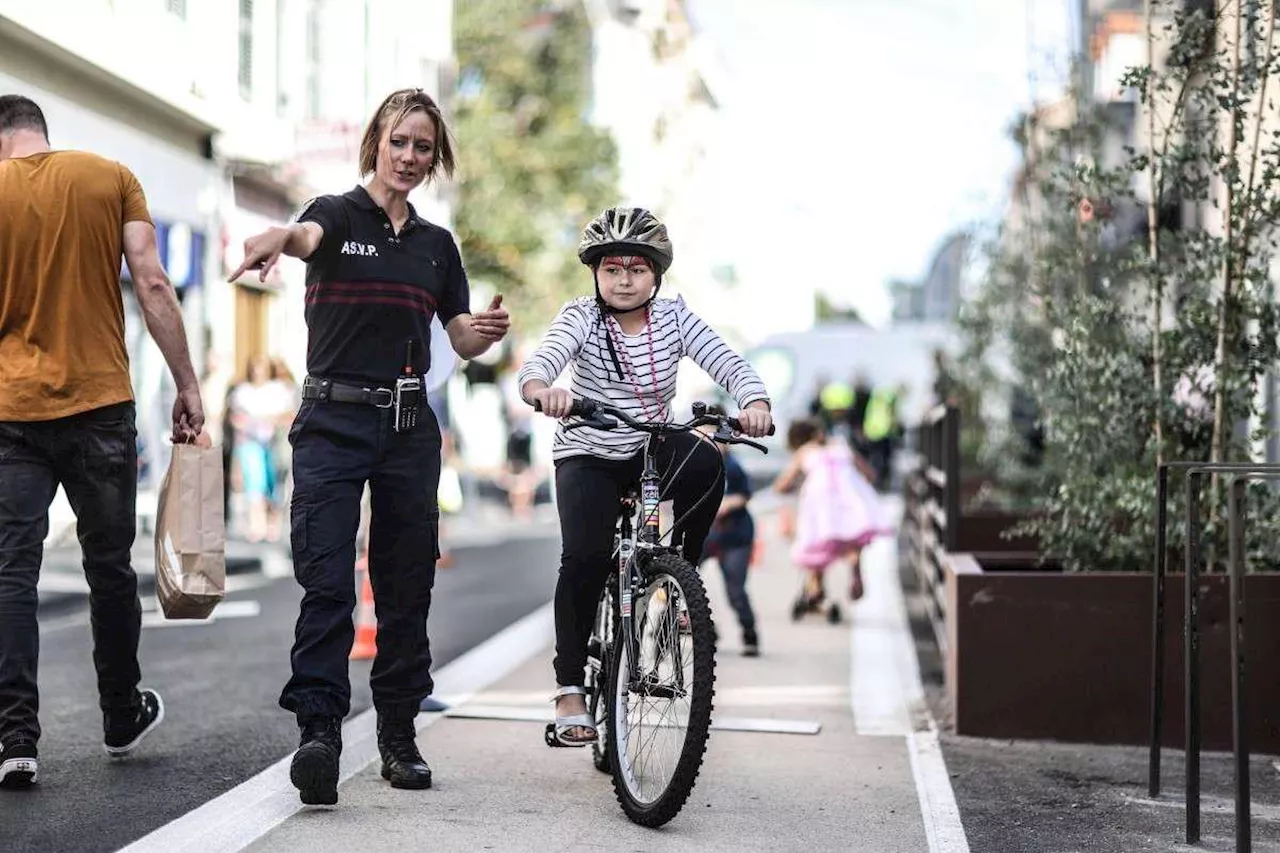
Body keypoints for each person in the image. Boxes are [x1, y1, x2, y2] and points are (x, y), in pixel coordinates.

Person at [228, 88, 509, 805]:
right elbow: (304, 239)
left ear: (433, 155)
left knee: (406, 583)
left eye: (423, 146)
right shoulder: (334, 212)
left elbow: (461, 338)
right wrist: (275, 238)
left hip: (409, 429)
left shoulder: (437, 247)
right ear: (376, 143)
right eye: (400, 142)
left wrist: (483, 330)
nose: (410, 156)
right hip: (331, 421)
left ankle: (397, 733)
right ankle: (320, 731)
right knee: (326, 580)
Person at [0, 95, 203, 787]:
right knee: (109, 568)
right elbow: (150, 282)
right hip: (100, 406)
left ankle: (14, 736)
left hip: (9, 413)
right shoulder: (110, 176)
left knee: (10, 571)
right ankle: (120, 710)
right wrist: (187, 384)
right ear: (41, 135)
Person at [517, 206, 773, 746]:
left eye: (636, 268)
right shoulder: (581, 317)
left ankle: (677, 574)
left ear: (656, 274)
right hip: (588, 449)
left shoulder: (676, 319)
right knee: (584, 557)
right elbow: (542, 362)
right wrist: (544, 389)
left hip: (652, 444)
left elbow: (727, 361)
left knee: (706, 459)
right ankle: (569, 687)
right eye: (611, 269)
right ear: (596, 274)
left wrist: (753, 400)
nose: (624, 279)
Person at [773, 418, 891, 624]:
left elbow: (781, 486)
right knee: (851, 534)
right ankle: (855, 564)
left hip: (819, 501)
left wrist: (800, 482)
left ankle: (816, 591)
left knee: (816, 544)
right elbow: (869, 474)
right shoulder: (842, 447)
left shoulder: (805, 452)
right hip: (849, 497)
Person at [697, 416, 760, 657]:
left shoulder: (732, 466)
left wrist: (726, 503)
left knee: (735, 589)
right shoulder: (694, 463)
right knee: (680, 581)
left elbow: (745, 494)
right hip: (705, 534)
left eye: (713, 438)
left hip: (735, 536)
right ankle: (702, 627)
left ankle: (749, 632)